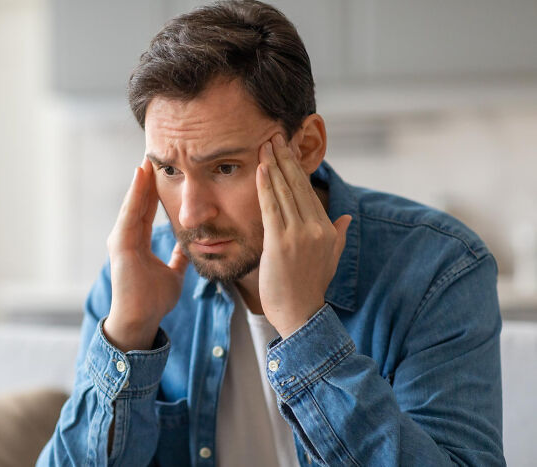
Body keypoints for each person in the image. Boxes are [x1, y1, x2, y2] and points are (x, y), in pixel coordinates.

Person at [37, 1, 504, 465]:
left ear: (307, 147)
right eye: (169, 170)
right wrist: (129, 332)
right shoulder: (133, 279)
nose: (192, 213)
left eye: (224, 167)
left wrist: (305, 327)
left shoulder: (438, 268)